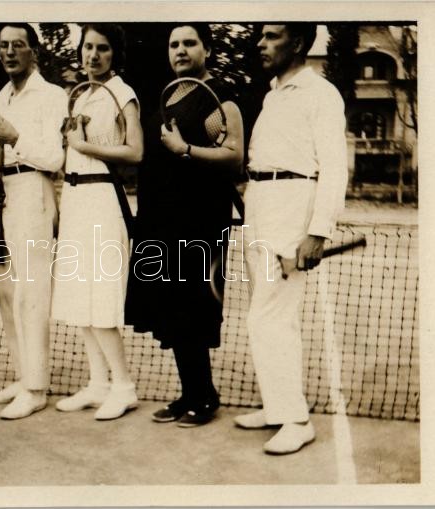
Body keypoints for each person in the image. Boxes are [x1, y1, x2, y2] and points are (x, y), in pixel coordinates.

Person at [233, 24, 348, 454]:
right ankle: (277, 407)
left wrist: (318, 232)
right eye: (261, 36)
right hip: (261, 207)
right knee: (264, 316)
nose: (261, 44)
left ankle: (296, 420)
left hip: (291, 211)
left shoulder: (321, 93)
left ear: (297, 43)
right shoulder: (273, 94)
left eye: (272, 37)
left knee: (271, 317)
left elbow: (334, 166)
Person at [124, 24, 244, 427]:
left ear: (206, 49)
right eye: (174, 44)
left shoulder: (219, 99)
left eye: (189, 43)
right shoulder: (168, 95)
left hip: (200, 222)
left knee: (193, 309)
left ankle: (204, 398)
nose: (180, 50)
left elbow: (234, 157)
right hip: (162, 220)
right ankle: (191, 393)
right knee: (172, 310)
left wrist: (186, 149)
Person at [51, 24, 144, 420]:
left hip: (103, 200)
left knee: (100, 297)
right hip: (74, 199)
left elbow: (135, 152)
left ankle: (123, 387)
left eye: (102, 48)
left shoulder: (123, 93)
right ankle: (98, 384)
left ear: (114, 54)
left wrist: (84, 145)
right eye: (88, 47)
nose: (93, 55)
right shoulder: (81, 95)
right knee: (79, 296)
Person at [0, 24, 67, 419]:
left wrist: (15, 138)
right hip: (5, 200)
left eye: (18, 45)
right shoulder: (1, 98)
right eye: (4, 46)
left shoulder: (53, 96)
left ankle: (36, 388)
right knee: (7, 293)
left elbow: (55, 158)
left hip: (34, 192)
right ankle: (22, 376)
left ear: (34, 52)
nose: (10, 52)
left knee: (32, 294)